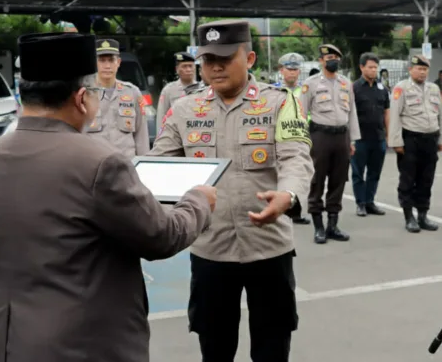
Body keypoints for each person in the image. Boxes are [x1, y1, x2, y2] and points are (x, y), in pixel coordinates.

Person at [0, 32, 216, 362]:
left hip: (5, 343)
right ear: (82, 98)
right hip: (81, 346)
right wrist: (198, 200)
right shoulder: (100, 164)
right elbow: (161, 236)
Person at [149, 19, 313, 362]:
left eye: (225, 57)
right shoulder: (185, 109)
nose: (215, 67)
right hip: (211, 250)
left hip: (268, 248)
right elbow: (157, 167)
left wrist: (288, 196)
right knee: (215, 346)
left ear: (250, 58)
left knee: (272, 346)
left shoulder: (281, 103)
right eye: (208, 60)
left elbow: (296, 157)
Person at [299, 44, 361, 244]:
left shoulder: (345, 83)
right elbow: (301, 114)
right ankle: (319, 227)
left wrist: (352, 139)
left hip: (341, 137)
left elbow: (352, 113)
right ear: (321, 60)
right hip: (320, 136)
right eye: (328, 57)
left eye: (335, 57)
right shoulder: (311, 84)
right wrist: (302, 142)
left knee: (339, 180)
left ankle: (333, 225)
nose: (332, 60)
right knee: (317, 180)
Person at [388, 55, 442, 233]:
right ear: (410, 70)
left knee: (426, 179)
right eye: (419, 69)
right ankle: (409, 216)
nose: (422, 72)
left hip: (430, 139)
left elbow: (440, 116)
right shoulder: (401, 88)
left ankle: (423, 215)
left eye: (425, 69)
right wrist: (396, 142)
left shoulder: (434, 88)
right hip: (410, 139)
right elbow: (395, 116)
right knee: (408, 179)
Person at [87, 38, 150, 158]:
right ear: (95, 62)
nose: (107, 65)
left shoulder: (132, 92)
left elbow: (141, 134)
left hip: (126, 163)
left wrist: (143, 163)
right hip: (94, 164)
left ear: (119, 62)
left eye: (111, 60)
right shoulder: (84, 92)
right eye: (102, 60)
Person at [272, 52, 312, 225]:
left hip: (304, 137)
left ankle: (297, 210)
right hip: (280, 139)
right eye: (289, 69)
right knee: (278, 174)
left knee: (301, 172)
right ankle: (280, 208)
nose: (292, 73)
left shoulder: (305, 90)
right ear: (281, 70)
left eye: (295, 70)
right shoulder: (273, 91)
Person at [351, 52, 388, 216]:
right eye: (370, 67)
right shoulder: (354, 88)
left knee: (375, 173)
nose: (374, 70)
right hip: (360, 139)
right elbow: (349, 114)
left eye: (375, 67)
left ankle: (370, 201)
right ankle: (360, 203)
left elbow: (387, 112)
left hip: (378, 138)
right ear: (361, 67)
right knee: (358, 173)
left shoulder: (382, 88)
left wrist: (388, 135)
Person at [156, 51, 197, 133]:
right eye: (184, 66)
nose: (188, 69)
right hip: (175, 133)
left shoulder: (202, 89)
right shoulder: (169, 90)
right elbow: (161, 116)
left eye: (190, 66)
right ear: (177, 69)